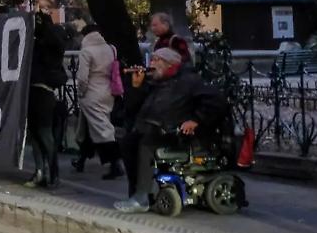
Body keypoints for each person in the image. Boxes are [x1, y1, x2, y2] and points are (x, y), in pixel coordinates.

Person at [114, 48, 226, 213]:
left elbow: (217, 101)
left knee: (147, 143)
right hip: (155, 129)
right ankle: (138, 193)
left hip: (177, 133)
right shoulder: (156, 82)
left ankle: (141, 197)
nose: (150, 64)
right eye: (151, 59)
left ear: (169, 64)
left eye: (155, 60)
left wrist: (196, 120)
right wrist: (136, 86)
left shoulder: (189, 81)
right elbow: (133, 109)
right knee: (128, 142)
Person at [71, 24, 124, 179]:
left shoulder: (87, 51)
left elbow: (82, 78)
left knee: (102, 130)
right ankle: (81, 160)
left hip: (91, 94)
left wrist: (81, 93)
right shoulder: (110, 49)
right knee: (87, 128)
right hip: (108, 92)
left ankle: (115, 164)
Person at [25, 12, 67, 189]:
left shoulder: (50, 44)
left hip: (42, 93)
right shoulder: (39, 44)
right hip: (35, 92)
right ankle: (41, 171)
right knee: (35, 133)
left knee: (43, 133)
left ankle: (51, 173)